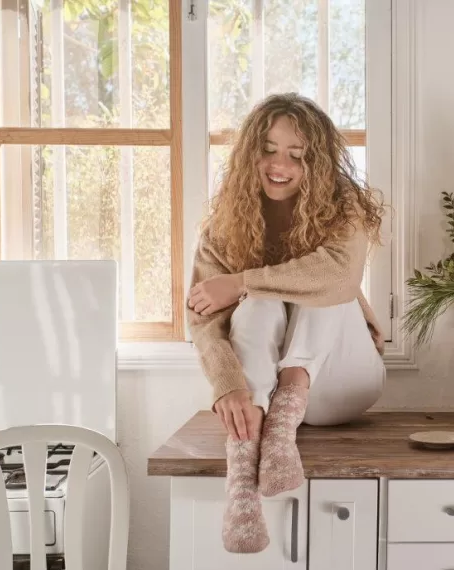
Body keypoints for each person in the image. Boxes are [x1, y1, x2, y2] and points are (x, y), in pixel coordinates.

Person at [185, 93, 386, 553]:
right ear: (249, 152)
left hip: (341, 384)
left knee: (325, 287)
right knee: (257, 305)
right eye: (269, 149)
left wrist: (242, 281)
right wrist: (228, 384)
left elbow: (339, 276)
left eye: (297, 155)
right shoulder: (223, 224)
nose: (280, 164)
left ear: (315, 162)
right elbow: (203, 319)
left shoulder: (344, 205)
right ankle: (243, 481)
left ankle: (279, 432)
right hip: (262, 395)